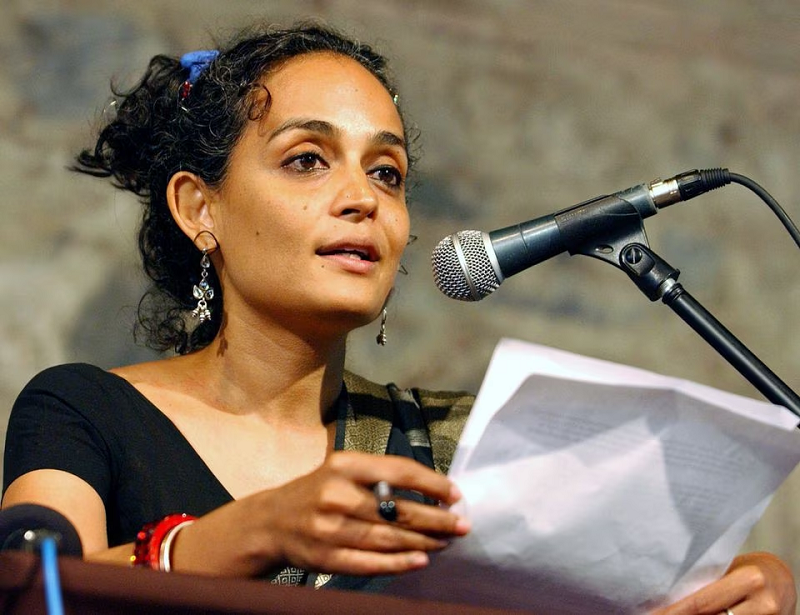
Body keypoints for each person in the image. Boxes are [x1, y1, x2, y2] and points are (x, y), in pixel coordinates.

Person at [1, 21, 795, 613]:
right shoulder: (81, 409)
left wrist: (755, 582)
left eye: (387, 172)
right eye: (307, 159)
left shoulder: (458, 449)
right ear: (197, 205)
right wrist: (255, 530)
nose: (362, 199)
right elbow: (34, 593)